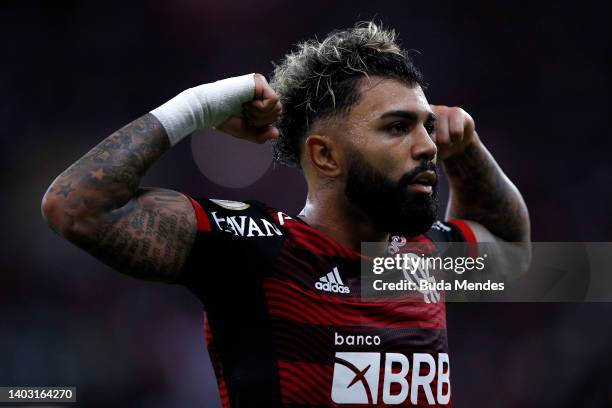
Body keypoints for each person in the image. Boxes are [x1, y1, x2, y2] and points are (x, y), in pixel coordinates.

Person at [41, 22, 530, 407]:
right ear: (325, 156)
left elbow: (514, 256)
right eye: (397, 127)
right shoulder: (258, 249)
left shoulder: (424, 259)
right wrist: (199, 105)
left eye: (427, 126)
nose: (428, 147)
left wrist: (467, 150)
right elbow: (77, 206)